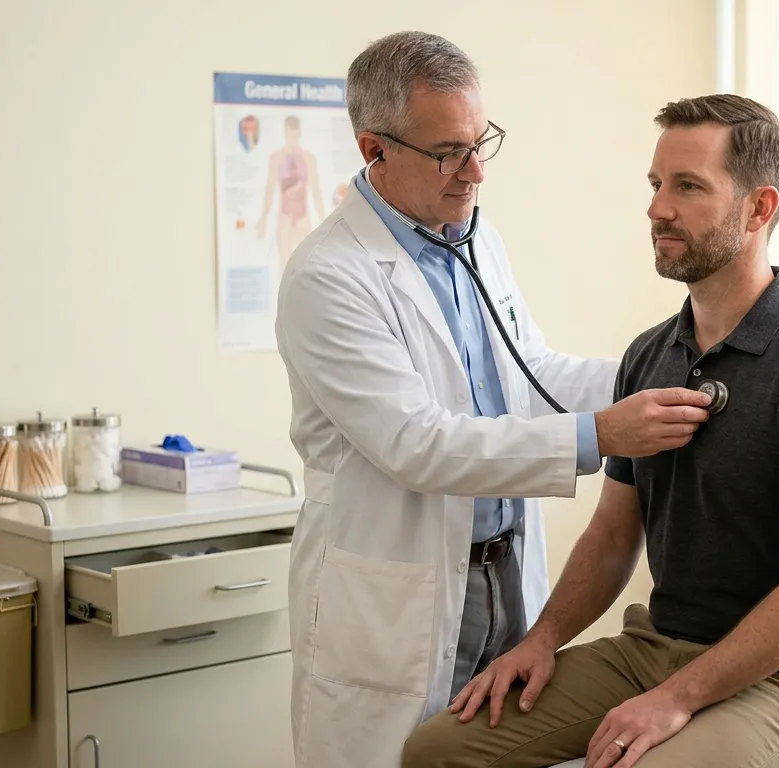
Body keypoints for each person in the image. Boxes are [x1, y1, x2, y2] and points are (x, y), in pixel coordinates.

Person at [401, 93, 779, 768]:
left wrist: (678, 698)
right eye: (658, 185)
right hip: (656, 648)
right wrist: (541, 640)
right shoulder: (651, 356)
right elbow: (611, 535)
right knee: (438, 750)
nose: (658, 208)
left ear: (759, 208)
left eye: (689, 187)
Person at [273, 31, 715, 768]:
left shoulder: (472, 240)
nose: (475, 171)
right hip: (400, 597)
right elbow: (417, 443)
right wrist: (602, 434)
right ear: (373, 150)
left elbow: (529, 372)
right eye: (449, 151)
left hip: (504, 575)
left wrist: (660, 373)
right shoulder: (329, 276)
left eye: (483, 143)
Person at [257, 115, 326, 264]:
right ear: (285, 132)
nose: (293, 137)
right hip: (285, 216)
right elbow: (270, 189)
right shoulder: (276, 158)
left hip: (302, 216)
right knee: (284, 264)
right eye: (290, 133)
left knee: (307, 264)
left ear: (299, 133)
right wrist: (263, 218)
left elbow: (316, 191)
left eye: (295, 133)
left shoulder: (308, 158)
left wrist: (325, 220)